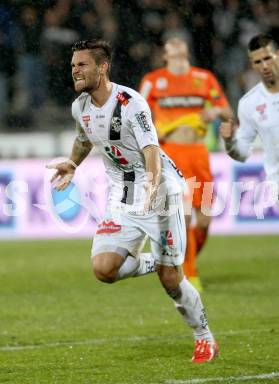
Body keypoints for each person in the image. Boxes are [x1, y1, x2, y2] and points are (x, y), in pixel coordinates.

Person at [47, 39, 218, 363]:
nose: (75, 71)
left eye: (82, 65)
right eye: (73, 66)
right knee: (104, 269)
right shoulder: (79, 106)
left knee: (172, 281)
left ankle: (204, 337)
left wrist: (153, 185)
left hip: (159, 191)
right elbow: (84, 139)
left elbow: (151, 148)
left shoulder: (130, 102)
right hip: (122, 197)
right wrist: (72, 162)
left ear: (102, 67)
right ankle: (158, 262)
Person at [139, 37, 233, 292]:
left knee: (204, 220)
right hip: (171, 154)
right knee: (185, 214)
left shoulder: (204, 79)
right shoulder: (153, 81)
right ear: (165, 55)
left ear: (186, 51)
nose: (177, 44)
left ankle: (184, 259)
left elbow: (226, 111)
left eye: (180, 43)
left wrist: (215, 112)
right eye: (171, 45)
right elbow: (138, 113)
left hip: (200, 154)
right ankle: (190, 274)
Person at [220, 33, 279, 190]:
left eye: (268, 58)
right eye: (258, 62)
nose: (264, 66)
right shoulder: (249, 103)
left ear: (278, 55)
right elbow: (242, 154)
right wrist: (229, 141)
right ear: (252, 65)